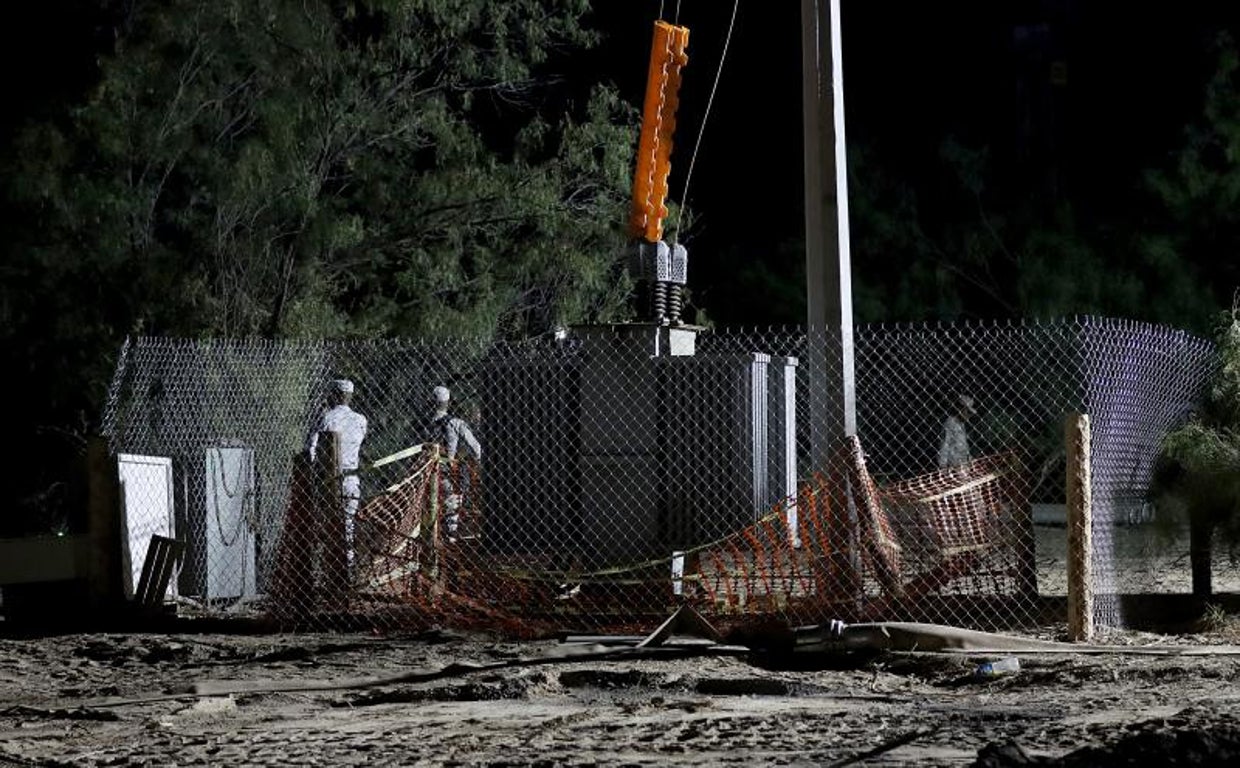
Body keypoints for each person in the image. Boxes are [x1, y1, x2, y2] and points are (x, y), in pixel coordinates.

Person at [308, 379, 369, 572]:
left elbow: (312, 448)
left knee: (328, 525)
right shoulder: (360, 420)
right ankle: (348, 569)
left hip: (329, 478)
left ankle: (330, 569)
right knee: (348, 526)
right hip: (352, 477)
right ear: (350, 396)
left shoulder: (327, 418)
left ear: (334, 394)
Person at [428, 385, 481, 542]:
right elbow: (476, 448)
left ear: (431, 402)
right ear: (449, 402)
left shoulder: (423, 425)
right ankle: (449, 538)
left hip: (428, 474)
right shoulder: (456, 423)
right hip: (449, 473)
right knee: (452, 508)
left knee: (433, 511)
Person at [938, 394, 976, 469]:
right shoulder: (950, 423)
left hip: (963, 462)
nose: (969, 415)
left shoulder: (961, 424)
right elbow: (945, 444)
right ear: (960, 409)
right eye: (967, 412)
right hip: (954, 465)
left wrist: (969, 458)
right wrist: (943, 465)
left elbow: (964, 445)